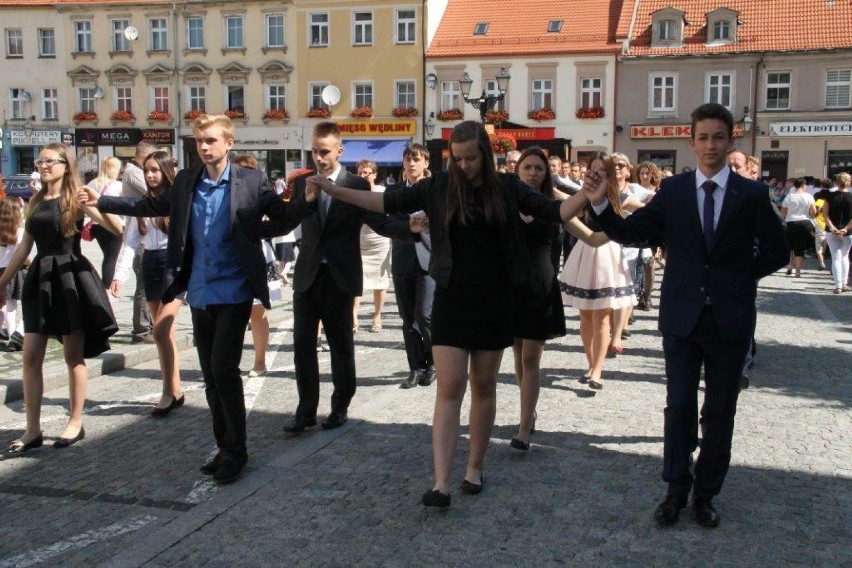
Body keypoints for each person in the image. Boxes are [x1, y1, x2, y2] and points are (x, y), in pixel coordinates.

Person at [308, 120, 589, 508]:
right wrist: (338, 191)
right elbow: (387, 203)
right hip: (452, 298)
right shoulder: (439, 186)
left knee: (484, 386)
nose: (463, 165)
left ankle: (474, 467)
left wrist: (590, 193)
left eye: (471, 158)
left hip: (495, 300)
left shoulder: (507, 188)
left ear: (485, 156)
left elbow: (556, 211)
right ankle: (440, 482)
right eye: (457, 159)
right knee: (449, 386)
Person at [583, 103, 788, 528]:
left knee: (719, 410)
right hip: (682, 317)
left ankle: (706, 493)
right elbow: (632, 233)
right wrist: (602, 205)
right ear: (691, 141)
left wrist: (737, 277)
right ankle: (675, 488)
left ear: (731, 140)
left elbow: (777, 251)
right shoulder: (674, 192)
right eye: (703, 137)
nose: (711, 145)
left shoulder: (750, 194)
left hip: (730, 319)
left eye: (719, 137)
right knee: (678, 406)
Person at [92, 114, 316, 484]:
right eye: (199, 142)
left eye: (211, 140)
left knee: (224, 368)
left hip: (235, 289)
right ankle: (224, 445)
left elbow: (281, 217)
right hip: (199, 289)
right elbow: (152, 207)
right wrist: (103, 202)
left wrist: (304, 202)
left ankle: (237, 451)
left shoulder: (251, 181)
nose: (204, 147)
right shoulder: (186, 180)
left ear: (229, 143)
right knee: (211, 376)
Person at [278, 122, 414, 435]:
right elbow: (289, 218)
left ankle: (340, 406)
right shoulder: (302, 183)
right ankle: (305, 410)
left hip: (340, 275)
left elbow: (377, 222)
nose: (319, 158)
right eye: (314, 151)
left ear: (340, 151)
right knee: (302, 345)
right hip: (309, 274)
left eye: (324, 152)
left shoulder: (356, 183)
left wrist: (410, 230)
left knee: (341, 345)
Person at [0, 143, 120, 456]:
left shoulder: (77, 196)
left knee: (72, 357)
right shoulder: (37, 199)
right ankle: (32, 429)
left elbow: (116, 228)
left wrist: (98, 204)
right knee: (30, 357)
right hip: (41, 277)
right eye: (40, 161)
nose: (42, 166)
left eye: (49, 161)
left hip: (70, 275)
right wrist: (1, 281)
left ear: (65, 165)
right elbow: (25, 247)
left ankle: (75, 421)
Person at [511, 147, 604, 449]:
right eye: (528, 167)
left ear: (546, 173)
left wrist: (623, 227)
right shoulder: (505, 202)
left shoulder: (555, 205)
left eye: (539, 168)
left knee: (530, 357)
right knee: (517, 356)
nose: (533, 173)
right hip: (510, 288)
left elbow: (591, 237)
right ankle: (529, 413)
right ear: (518, 171)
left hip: (540, 287)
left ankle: (524, 427)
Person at [99, 151, 186, 417]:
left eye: (154, 170)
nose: (149, 175)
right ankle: (174, 389)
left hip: (174, 265)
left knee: (160, 329)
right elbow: (131, 241)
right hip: (150, 264)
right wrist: (119, 275)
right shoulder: (143, 204)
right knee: (164, 337)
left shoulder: (176, 202)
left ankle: (167, 392)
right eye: (146, 170)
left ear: (166, 171)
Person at [560, 153, 637, 390]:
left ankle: (598, 369)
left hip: (607, 252)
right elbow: (562, 204)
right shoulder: (582, 196)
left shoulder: (620, 196)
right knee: (584, 315)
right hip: (585, 250)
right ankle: (590, 363)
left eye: (601, 169)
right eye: (592, 169)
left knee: (602, 315)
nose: (596, 173)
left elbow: (645, 207)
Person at [391, 144, 436, 390]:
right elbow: (390, 219)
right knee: (407, 319)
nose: (411, 164)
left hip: (428, 260)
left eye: (416, 159)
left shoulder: (435, 190)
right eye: (408, 159)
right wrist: (410, 222)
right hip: (403, 259)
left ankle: (433, 364)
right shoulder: (396, 191)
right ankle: (415, 367)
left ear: (426, 163)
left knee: (425, 315)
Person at [231, 154, 275, 378]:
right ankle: (231, 362)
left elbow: (277, 219)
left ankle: (260, 360)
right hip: (231, 258)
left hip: (257, 254)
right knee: (234, 313)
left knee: (257, 312)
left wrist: (257, 231)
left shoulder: (259, 188)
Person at [123, 141, 159, 343]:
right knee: (144, 286)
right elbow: (154, 190)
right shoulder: (134, 172)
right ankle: (142, 330)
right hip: (140, 235)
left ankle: (150, 326)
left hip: (146, 234)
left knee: (150, 285)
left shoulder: (136, 171)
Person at [353, 160, 391, 334]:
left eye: (367, 172)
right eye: (361, 172)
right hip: (358, 241)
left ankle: (377, 317)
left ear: (374, 174)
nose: (363, 175)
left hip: (379, 241)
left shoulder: (383, 192)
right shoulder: (352, 193)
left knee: (380, 281)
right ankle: (353, 318)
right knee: (356, 281)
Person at [86, 156, 124, 289]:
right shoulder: (118, 186)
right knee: (112, 256)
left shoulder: (92, 183)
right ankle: (106, 286)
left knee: (107, 255)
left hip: (97, 225)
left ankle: (105, 284)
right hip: (115, 224)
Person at [0, 198, 26, 351]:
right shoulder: (19, 232)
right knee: (19, 304)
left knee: (7, 305)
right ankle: (17, 335)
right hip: (16, 270)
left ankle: (10, 336)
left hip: (1, 271)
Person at [780, 178, 817, 278]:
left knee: (790, 246)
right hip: (805, 222)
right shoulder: (808, 196)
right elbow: (813, 212)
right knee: (799, 248)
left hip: (791, 222)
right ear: (803, 185)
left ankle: (789, 265)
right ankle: (798, 271)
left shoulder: (789, 197)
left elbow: (783, 213)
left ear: (794, 186)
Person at [822, 172, 852, 294]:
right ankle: (844, 283)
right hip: (848, 232)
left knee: (836, 258)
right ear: (849, 182)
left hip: (831, 231)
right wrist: (846, 228)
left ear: (836, 182)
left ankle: (838, 285)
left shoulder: (829, 196)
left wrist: (833, 227)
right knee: (845, 256)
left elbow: (825, 214)